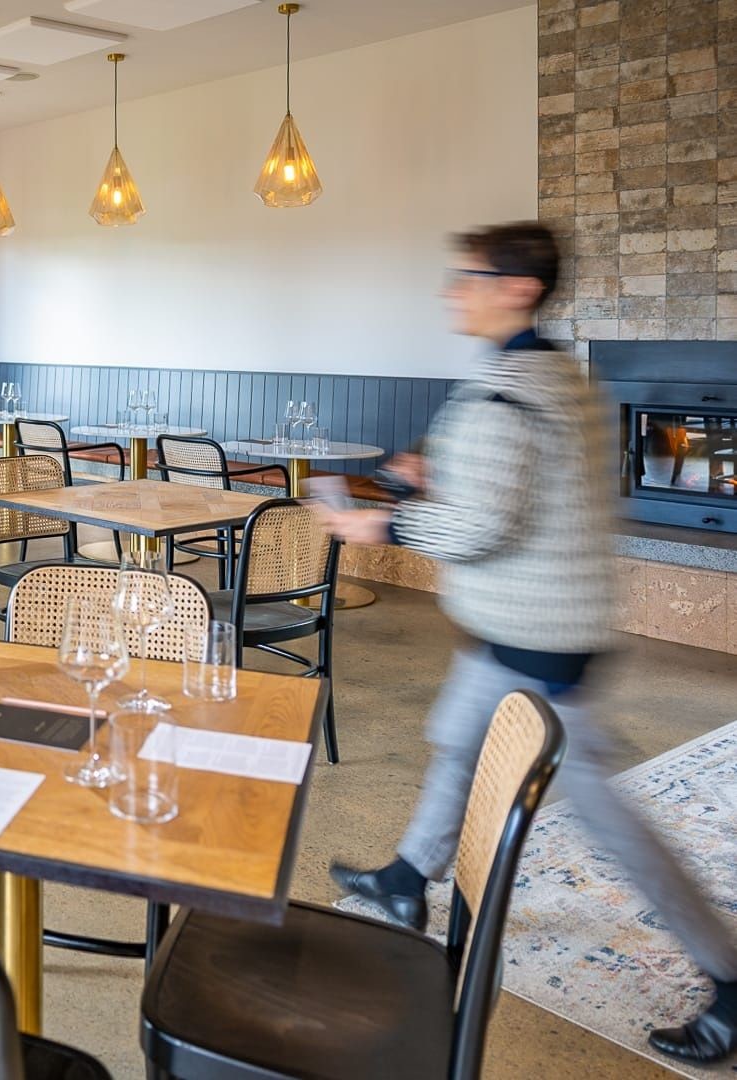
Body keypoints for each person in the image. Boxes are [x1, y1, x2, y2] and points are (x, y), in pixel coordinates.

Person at [314, 222, 737, 1065]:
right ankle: (406, 880)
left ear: (517, 287)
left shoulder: (509, 388)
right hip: (527, 626)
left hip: (537, 639)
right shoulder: (550, 375)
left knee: (606, 817)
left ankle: (729, 975)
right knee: (453, 741)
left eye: (465, 276)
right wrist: (429, 475)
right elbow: (517, 484)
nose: (451, 290)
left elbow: (480, 525)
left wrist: (383, 519)